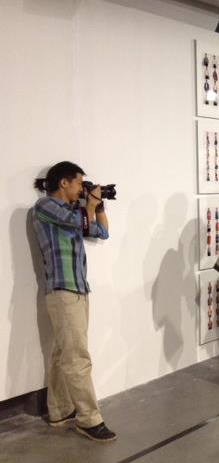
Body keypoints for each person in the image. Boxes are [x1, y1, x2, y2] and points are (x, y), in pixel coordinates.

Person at [32, 161, 116, 442]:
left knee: (62, 353)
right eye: (80, 182)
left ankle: (59, 410)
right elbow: (79, 222)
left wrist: (98, 206)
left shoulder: (75, 212)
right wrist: (89, 204)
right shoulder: (45, 206)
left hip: (77, 289)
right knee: (78, 357)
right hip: (62, 290)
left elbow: (102, 232)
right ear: (64, 182)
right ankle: (89, 419)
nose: (82, 188)